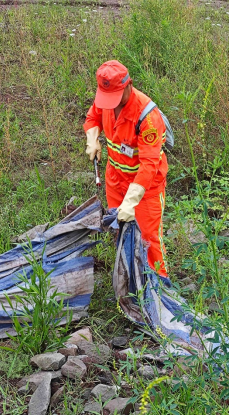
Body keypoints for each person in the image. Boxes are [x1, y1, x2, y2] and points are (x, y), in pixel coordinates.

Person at [83, 60, 169, 278]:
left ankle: (158, 289)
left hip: (145, 190)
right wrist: (92, 138)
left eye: (114, 98)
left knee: (149, 240)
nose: (110, 105)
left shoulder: (148, 117)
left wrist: (131, 201)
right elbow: (93, 116)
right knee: (120, 233)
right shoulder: (106, 99)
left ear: (128, 85)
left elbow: (150, 165)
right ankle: (129, 283)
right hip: (115, 181)